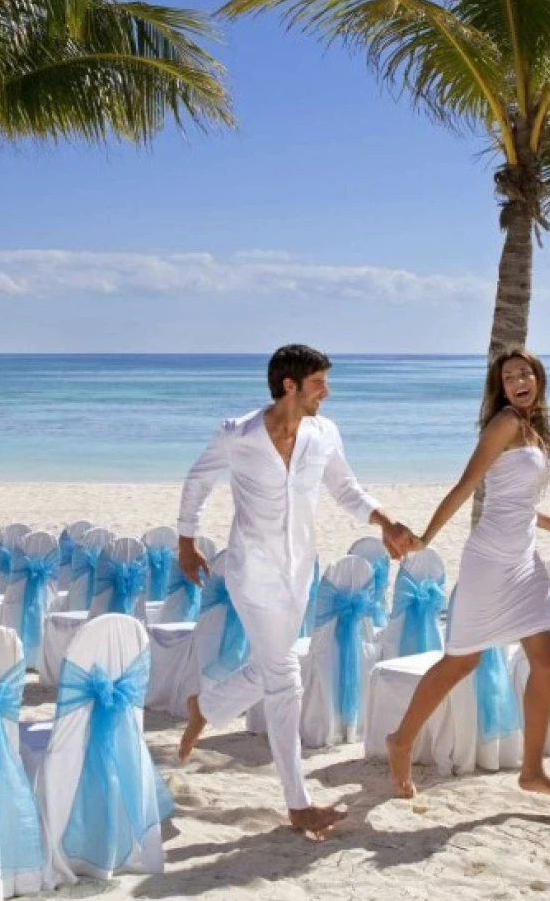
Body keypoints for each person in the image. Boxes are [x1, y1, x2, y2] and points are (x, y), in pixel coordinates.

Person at [173, 343, 411, 839]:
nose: (327, 392)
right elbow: (198, 481)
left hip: (299, 570)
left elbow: (346, 489)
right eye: (319, 383)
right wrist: (186, 540)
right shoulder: (236, 434)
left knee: (272, 664)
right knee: (284, 677)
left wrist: (385, 521)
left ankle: (206, 707)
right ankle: (298, 804)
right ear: (290, 386)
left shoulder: (324, 434)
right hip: (250, 572)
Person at [384, 348, 550, 801]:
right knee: (462, 660)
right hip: (489, 560)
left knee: (548, 659)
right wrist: (426, 537)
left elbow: (521, 503)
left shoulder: (538, 431)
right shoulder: (506, 423)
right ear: (502, 388)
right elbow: (466, 486)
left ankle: (532, 770)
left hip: (524, 561)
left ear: (539, 378)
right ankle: (401, 739)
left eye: (525, 373)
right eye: (509, 377)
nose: (519, 380)